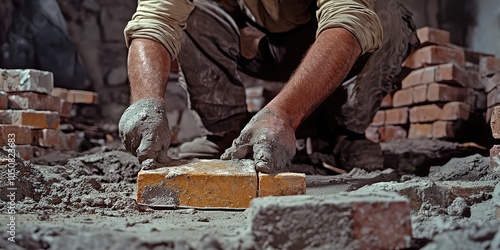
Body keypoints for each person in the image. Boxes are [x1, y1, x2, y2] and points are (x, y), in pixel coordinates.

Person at [118, 0, 418, 173]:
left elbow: (350, 17)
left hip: (322, 40)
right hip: (253, 42)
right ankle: (226, 134)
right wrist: (145, 103)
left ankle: (343, 134)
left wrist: (284, 115)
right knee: (193, 14)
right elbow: (155, 19)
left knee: (388, 16)